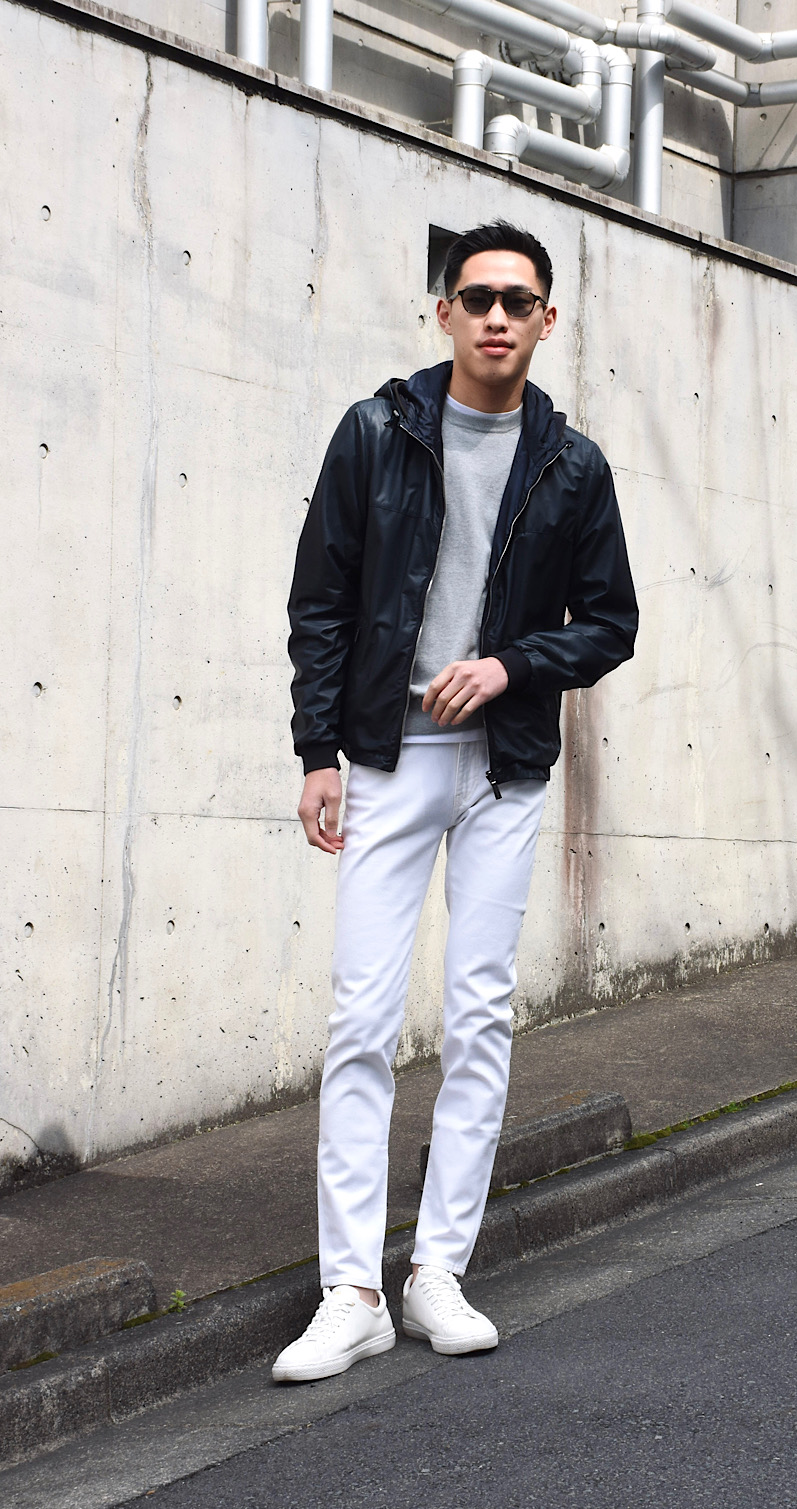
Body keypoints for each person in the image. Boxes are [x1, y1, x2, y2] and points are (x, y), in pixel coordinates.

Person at [276, 220, 638, 1383]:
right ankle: (350, 1292)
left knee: (480, 1015)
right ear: (443, 313)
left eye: (516, 300)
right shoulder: (376, 432)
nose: (494, 316)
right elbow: (323, 599)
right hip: (387, 757)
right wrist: (318, 751)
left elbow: (610, 623)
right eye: (475, 296)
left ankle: (437, 1270)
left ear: (546, 320)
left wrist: (512, 665)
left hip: (502, 766)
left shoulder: (571, 466)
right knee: (361, 1022)